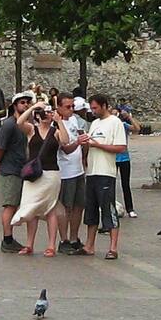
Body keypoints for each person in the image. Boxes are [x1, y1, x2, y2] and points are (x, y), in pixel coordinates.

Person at [10, 100, 74, 256]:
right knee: (32, 208)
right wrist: (33, 107)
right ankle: (29, 244)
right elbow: (19, 122)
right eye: (43, 114)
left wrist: (59, 122)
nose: (46, 116)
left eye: (48, 113)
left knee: (50, 208)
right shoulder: (32, 130)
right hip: (33, 175)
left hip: (51, 174)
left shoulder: (56, 131)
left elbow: (65, 141)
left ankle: (51, 245)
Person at [77, 94, 126, 260]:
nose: (93, 111)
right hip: (92, 171)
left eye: (96, 108)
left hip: (106, 172)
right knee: (90, 209)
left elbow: (120, 147)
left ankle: (113, 247)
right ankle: (89, 245)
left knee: (108, 208)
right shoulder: (95, 124)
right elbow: (90, 147)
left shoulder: (115, 123)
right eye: (91, 108)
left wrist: (98, 145)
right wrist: (85, 146)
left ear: (104, 106)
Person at [0, 92, 33, 253]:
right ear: (15, 105)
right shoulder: (9, 124)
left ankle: (10, 239)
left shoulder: (27, 124)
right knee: (10, 205)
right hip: (10, 170)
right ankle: (7, 239)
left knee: (16, 205)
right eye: (22, 102)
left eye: (28, 103)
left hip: (24, 169)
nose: (25, 105)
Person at [54, 93, 87, 255]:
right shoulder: (57, 125)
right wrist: (78, 142)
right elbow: (65, 148)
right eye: (67, 107)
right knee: (66, 207)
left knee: (79, 205)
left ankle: (74, 238)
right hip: (65, 171)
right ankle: (63, 239)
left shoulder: (74, 120)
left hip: (78, 169)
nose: (71, 110)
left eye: (73, 106)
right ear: (58, 107)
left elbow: (80, 136)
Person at [115, 104, 141, 218]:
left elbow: (137, 129)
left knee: (126, 184)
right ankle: (110, 207)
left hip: (124, 158)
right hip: (111, 158)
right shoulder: (107, 125)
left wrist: (129, 117)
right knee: (110, 184)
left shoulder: (123, 125)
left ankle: (130, 208)